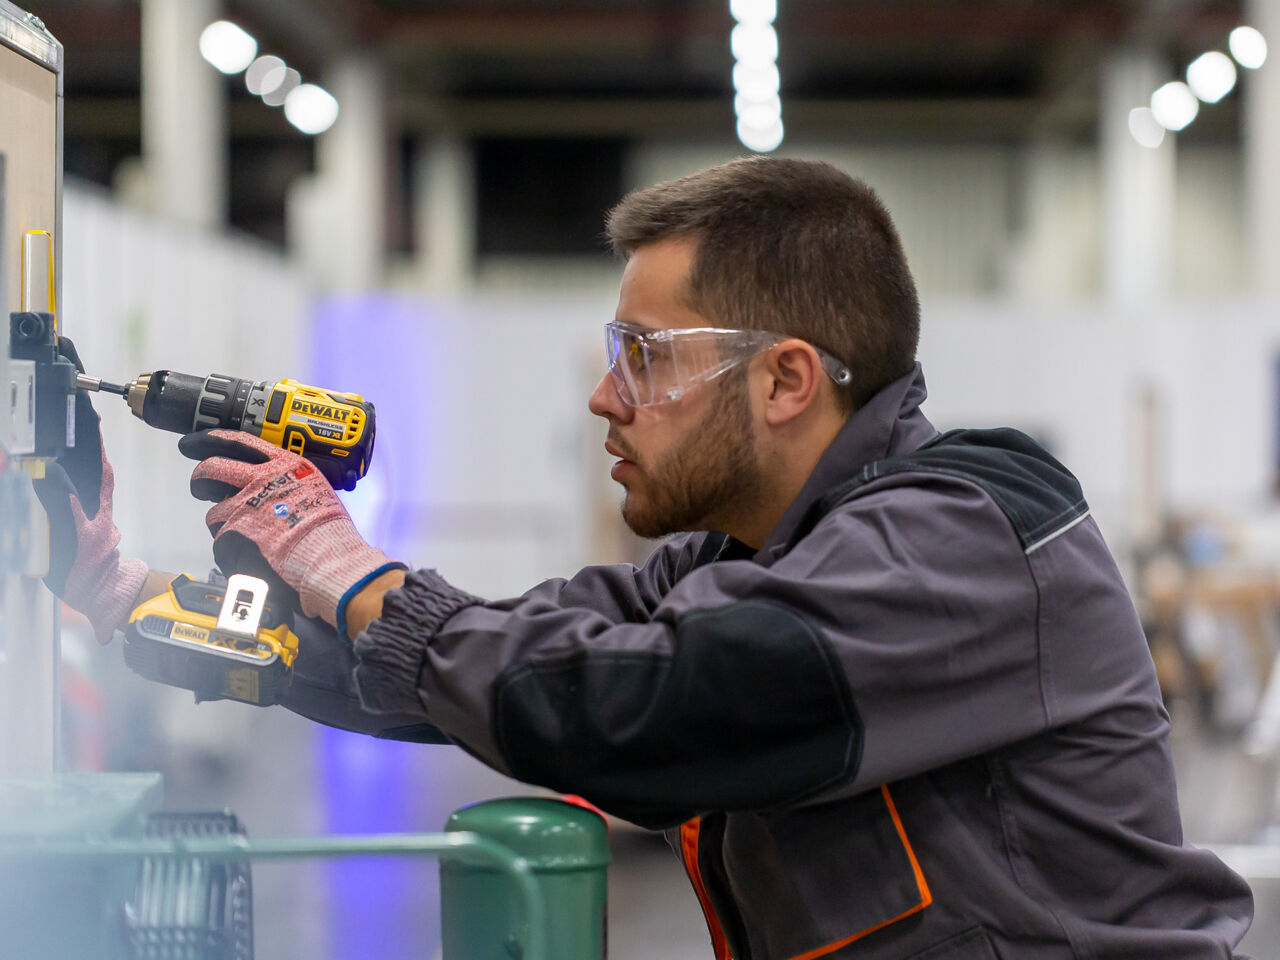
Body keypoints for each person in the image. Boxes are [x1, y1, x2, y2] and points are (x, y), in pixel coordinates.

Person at [41, 157, 1253, 959]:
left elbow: (637, 710)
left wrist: (347, 564)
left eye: (644, 355)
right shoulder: (754, 556)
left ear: (784, 378)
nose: (604, 399)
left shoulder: (967, 537)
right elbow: (495, 665)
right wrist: (135, 598)